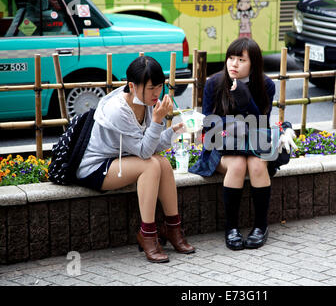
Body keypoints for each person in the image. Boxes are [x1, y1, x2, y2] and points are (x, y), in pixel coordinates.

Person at [76, 56, 195, 263]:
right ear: (132, 86)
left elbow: (151, 145)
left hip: (122, 161)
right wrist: (158, 121)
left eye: (159, 87)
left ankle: (173, 228)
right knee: (150, 166)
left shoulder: (147, 103)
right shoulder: (118, 110)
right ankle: (147, 234)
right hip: (95, 167)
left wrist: (173, 131)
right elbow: (144, 152)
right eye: (151, 88)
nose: (157, 93)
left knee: (163, 163)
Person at [190, 37, 285, 250]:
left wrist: (244, 98)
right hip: (222, 145)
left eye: (241, 59)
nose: (233, 64)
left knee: (257, 164)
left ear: (253, 63)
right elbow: (208, 123)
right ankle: (231, 228)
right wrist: (235, 124)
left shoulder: (265, 85)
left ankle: (261, 226)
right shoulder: (214, 83)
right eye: (231, 58)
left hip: (253, 143)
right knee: (237, 164)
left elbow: (260, 122)